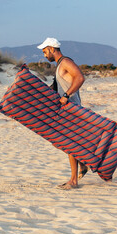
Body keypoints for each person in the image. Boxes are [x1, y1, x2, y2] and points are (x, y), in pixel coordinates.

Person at [37, 37, 88, 190]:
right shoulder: (60, 65)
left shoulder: (65, 62)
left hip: (72, 108)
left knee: (69, 143)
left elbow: (80, 78)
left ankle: (73, 180)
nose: (45, 55)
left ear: (52, 49)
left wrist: (66, 96)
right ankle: (83, 165)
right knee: (69, 142)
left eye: (45, 51)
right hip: (67, 109)